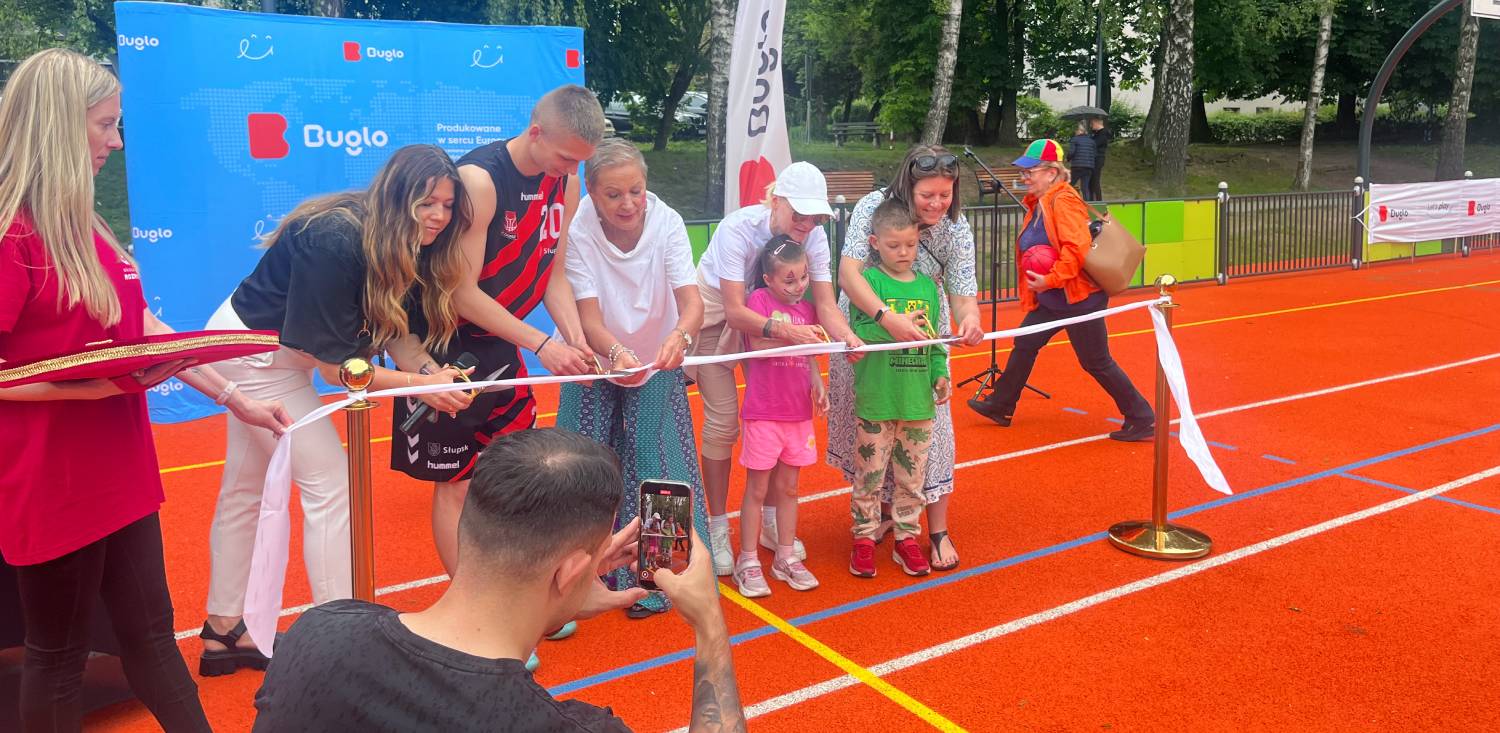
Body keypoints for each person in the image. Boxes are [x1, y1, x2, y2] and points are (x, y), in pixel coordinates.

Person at [0, 48, 290, 731]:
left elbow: (145, 330)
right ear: (58, 127)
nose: (116, 140)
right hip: (53, 482)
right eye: (105, 124)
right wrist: (84, 391)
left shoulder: (87, 227)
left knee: (154, 637)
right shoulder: (12, 235)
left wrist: (234, 396)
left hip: (121, 468)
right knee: (60, 656)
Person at [251, 429, 748, 733]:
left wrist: (566, 586)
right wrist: (708, 623)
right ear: (569, 570)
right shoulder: (560, 727)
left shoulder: (317, 633)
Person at [201, 144, 476, 676]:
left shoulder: (397, 237)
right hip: (258, 360)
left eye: (447, 205)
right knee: (331, 486)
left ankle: (223, 629)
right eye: (428, 203)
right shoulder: (335, 238)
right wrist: (419, 386)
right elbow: (339, 370)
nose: (439, 217)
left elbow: (397, 331)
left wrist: (428, 376)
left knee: (244, 491)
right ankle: (340, 641)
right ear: (398, 197)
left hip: (264, 353)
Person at [396, 85, 604, 585]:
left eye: (579, 161)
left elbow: (552, 274)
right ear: (536, 133)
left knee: (512, 477)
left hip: (502, 344)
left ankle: (513, 596)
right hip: (445, 346)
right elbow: (461, 293)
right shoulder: (479, 181)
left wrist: (574, 339)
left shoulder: (567, 183)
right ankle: (470, 611)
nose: (569, 170)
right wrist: (543, 344)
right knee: (456, 486)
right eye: (564, 157)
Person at [554, 138, 708, 619]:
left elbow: (693, 304)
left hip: (659, 351)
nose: (628, 204)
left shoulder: (668, 223)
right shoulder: (577, 229)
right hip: (597, 351)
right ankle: (574, 577)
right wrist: (615, 352)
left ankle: (662, 575)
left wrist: (680, 336)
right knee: (583, 458)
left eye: (636, 191)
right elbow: (589, 316)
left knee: (653, 455)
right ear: (591, 193)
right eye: (613, 195)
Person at [690, 162, 863, 576]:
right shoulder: (738, 228)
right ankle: (717, 527)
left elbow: (824, 305)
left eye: (814, 215)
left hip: (774, 319)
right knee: (723, 423)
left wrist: (846, 339)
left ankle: (770, 524)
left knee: (776, 411)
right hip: (718, 315)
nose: (806, 223)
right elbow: (733, 311)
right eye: (798, 213)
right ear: (775, 201)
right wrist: (787, 332)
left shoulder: (815, 237)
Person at [831, 145, 984, 572]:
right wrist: (885, 318)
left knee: (930, 437)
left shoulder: (956, 229)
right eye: (927, 196)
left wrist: (969, 321)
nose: (937, 204)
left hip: (922, 339)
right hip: (870, 330)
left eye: (945, 195)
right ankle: (876, 519)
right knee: (870, 440)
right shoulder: (872, 206)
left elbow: (963, 291)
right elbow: (849, 273)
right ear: (907, 186)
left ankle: (930, 530)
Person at [966, 139, 1154, 441]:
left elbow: (1076, 249)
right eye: (1024, 172)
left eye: (1031, 171)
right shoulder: (1039, 203)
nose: (1025, 177)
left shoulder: (1062, 200)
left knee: (1096, 361)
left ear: (1052, 172)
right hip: (1053, 299)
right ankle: (1001, 404)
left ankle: (1142, 417)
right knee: (1025, 342)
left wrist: (1049, 279)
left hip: (1078, 299)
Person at [846, 199, 951, 578]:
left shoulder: (927, 287)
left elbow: (935, 341)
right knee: (869, 475)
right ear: (875, 242)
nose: (903, 253)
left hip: (917, 402)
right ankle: (862, 537)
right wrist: (893, 324)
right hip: (877, 399)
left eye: (909, 245)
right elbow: (857, 333)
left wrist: (940, 374)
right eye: (893, 246)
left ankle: (907, 538)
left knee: (912, 479)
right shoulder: (869, 283)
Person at [730, 236, 828, 597]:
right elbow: (756, 345)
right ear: (769, 280)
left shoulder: (807, 308)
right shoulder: (758, 301)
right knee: (757, 489)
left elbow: (811, 351)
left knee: (789, 488)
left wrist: (817, 382)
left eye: (803, 277)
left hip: (797, 414)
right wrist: (793, 337)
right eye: (789, 280)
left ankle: (785, 555)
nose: (798, 286)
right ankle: (748, 559)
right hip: (764, 413)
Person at [1069, 122, 1097, 202]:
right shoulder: (1092, 141)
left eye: (1076, 130)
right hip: (1089, 167)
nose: (1075, 132)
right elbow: (1095, 155)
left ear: (1080, 131)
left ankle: (1066, 201)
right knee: (1085, 188)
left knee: (1069, 185)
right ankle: (1087, 206)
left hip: (1077, 166)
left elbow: (1071, 152)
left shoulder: (1074, 139)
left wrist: (1068, 159)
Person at [1089, 117, 1111, 202]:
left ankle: (1098, 201)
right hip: (1094, 159)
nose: (1091, 126)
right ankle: (1092, 200)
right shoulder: (1097, 133)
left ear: (1096, 123)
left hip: (1098, 159)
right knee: (1091, 181)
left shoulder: (1103, 133)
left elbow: (1095, 144)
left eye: (1092, 124)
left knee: (1095, 181)